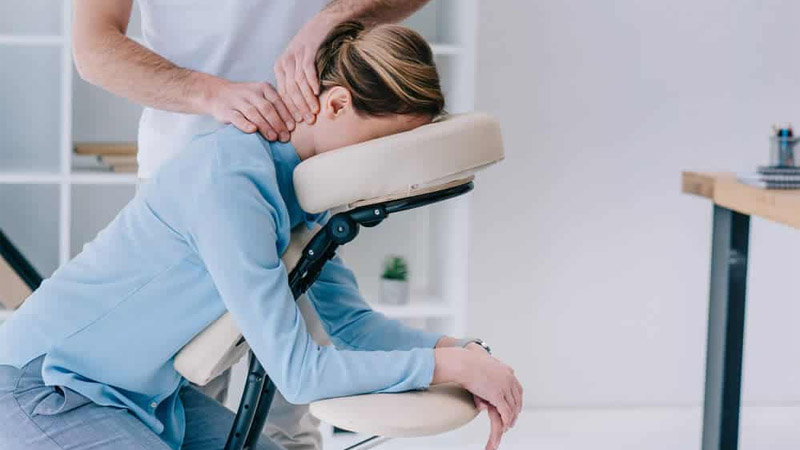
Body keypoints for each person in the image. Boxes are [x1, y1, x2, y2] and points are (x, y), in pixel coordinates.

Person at [0, 22, 523, 450]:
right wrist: (445, 367)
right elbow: (298, 372)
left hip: (148, 394)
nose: (385, 166)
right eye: (389, 143)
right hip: (47, 384)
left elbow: (354, 327)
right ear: (336, 105)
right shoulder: (232, 182)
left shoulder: (302, 191)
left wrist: (461, 351)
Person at [73, 2, 432, 447]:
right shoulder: (217, 182)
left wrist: (331, 17)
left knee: (289, 415)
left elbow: (341, 338)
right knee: (184, 401)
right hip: (195, 175)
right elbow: (93, 47)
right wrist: (209, 93)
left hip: (312, 168)